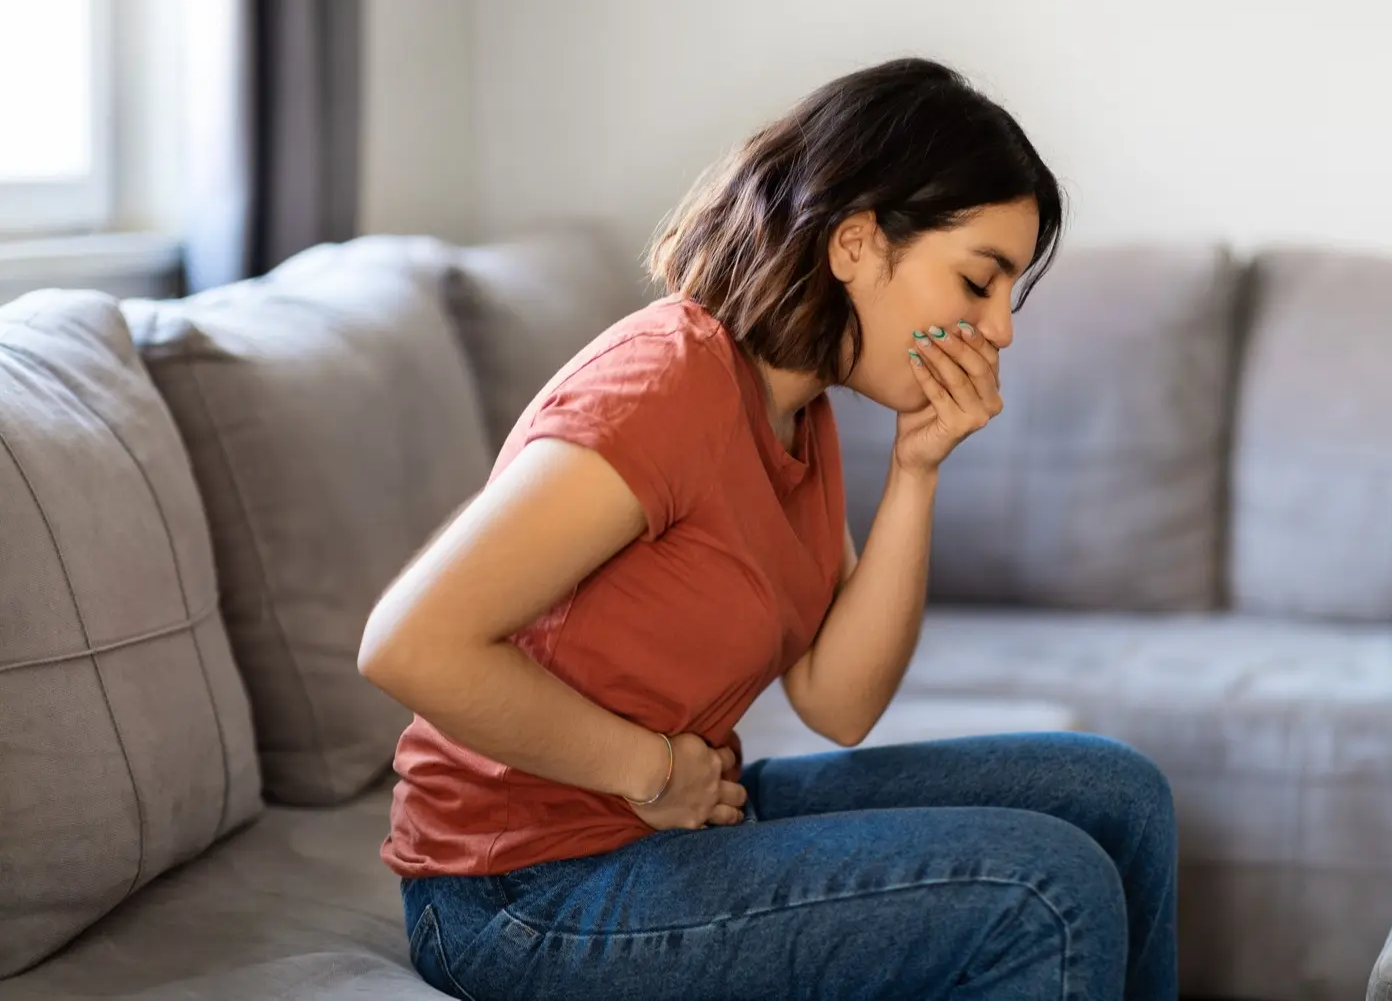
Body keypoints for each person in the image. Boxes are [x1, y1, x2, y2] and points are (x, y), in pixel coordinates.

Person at [358, 57, 1178, 1001]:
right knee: (1044, 890)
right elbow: (410, 642)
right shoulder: (664, 385)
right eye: (978, 281)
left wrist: (916, 470)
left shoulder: (799, 411)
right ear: (857, 243)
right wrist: (650, 768)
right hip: (519, 890)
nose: (1000, 331)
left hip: (680, 824)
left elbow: (838, 701)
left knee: (1118, 795)